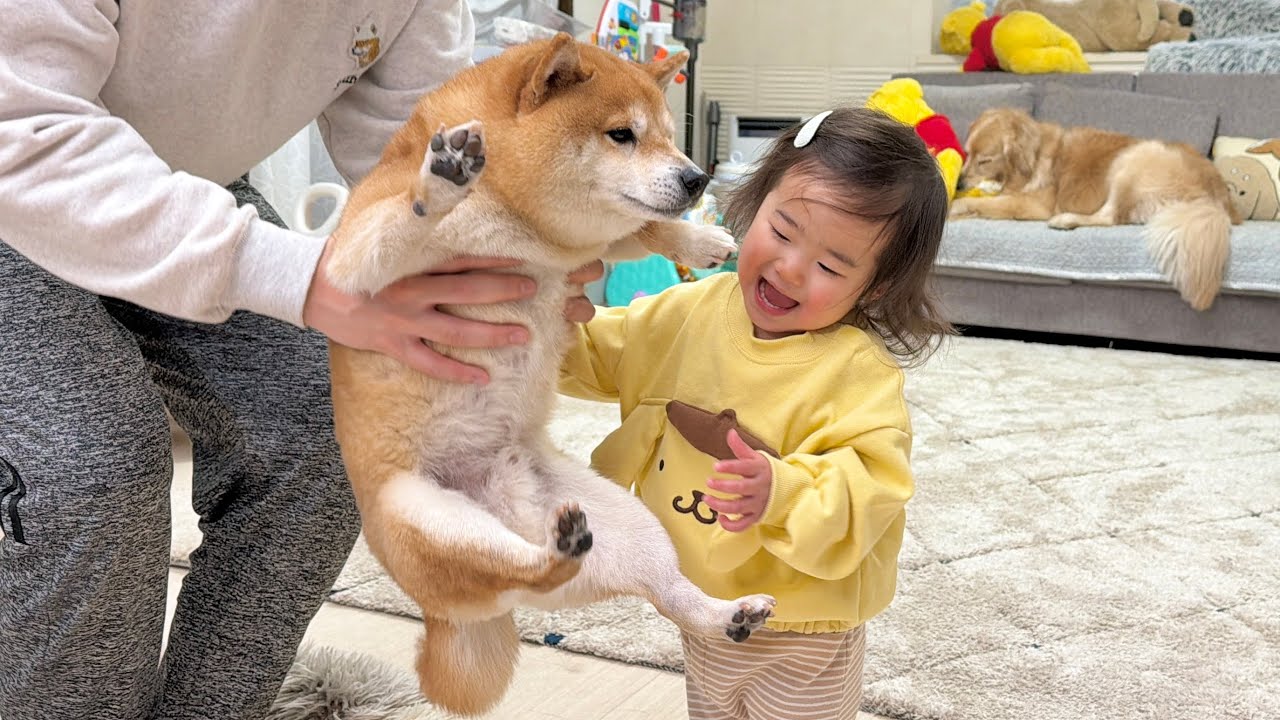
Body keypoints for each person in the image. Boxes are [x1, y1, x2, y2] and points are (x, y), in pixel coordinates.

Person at [0, 3, 598, 719]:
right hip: (19, 160)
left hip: (178, 173)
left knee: (326, 422)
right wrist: (311, 281)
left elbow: (417, 142)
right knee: (92, 462)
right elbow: (24, 123)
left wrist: (505, 249)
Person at [558, 107, 951, 719]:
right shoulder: (689, 311)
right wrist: (541, 318)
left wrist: (782, 492)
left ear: (874, 287)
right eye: (783, 231)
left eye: (829, 266)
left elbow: (870, 490)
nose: (790, 267)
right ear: (755, 204)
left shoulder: (857, 373)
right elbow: (595, 353)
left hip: (804, 626)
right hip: (704, 604)